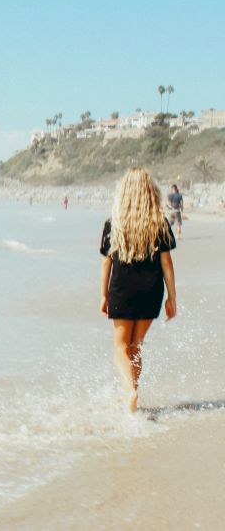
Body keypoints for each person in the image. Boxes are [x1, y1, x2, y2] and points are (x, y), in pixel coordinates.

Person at [99, 167, 177, 412]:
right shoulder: (159, 223)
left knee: (121, 347)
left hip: (122, 289)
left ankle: (129, 391)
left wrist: (103, 295)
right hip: (151, 290)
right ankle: (133, 396)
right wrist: (172, 297)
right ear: (150, 192)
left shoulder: (114, 223)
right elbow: (166, 262)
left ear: (124, 192)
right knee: (135, 346)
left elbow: (106, 261)